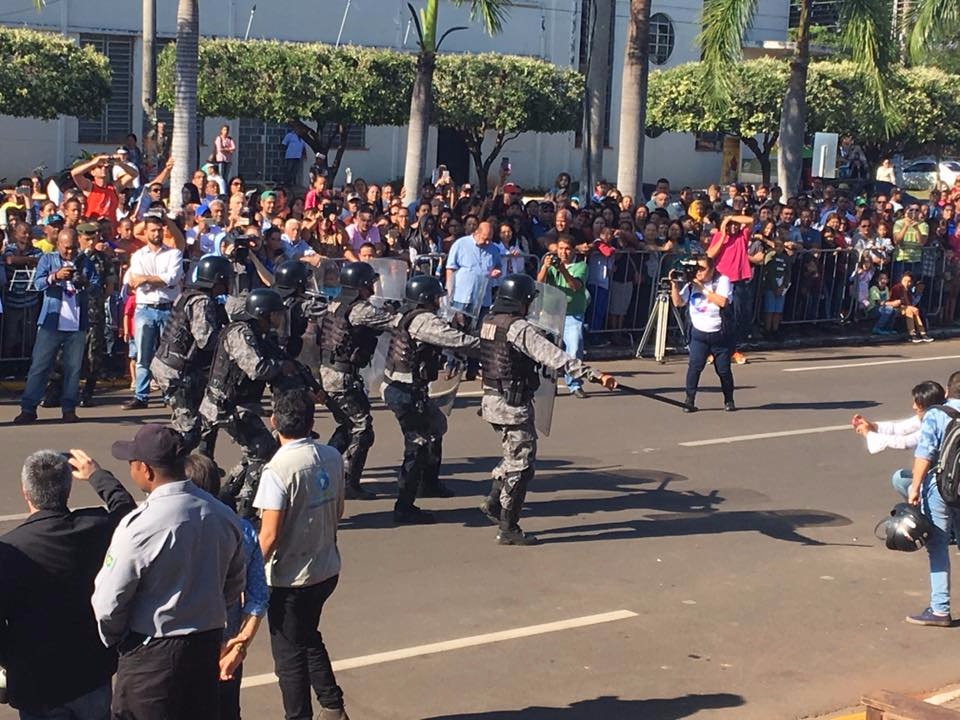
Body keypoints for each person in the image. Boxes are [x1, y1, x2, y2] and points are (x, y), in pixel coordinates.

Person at [91, 424, 245, 719]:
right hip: (203, 647)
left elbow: (108, 603)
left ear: (146, 470)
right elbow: (233, 583)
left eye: (132, 463)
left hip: (152, 654)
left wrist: (122, 640)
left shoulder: (139, 527)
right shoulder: (223, 515)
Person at [477, 274, 616, 545]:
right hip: (511, 405)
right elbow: (554, 357)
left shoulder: (489, 321)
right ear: (520, 302)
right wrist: (595, 375)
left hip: (491, 399)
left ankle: (494, 503)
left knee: (512, 454)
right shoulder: (518, 328)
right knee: (522, 465)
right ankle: (508, 527)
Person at [0, 449, 136, 719]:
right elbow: (127, 514)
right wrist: (97, 475)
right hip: (91, 672)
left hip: (37, 682)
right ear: (68, 489)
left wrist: (9, 662)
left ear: (26, 492)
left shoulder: (10, 549)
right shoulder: (97, 527)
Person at [254, 391, 351, 720]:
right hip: (326, 567)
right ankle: (332, 704)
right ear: (311, 423)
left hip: (290, 578)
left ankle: (299, 716)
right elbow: (338, 510)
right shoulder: (332, 456)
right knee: (307, 635)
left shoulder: (277, 470)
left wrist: (246, 573)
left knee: (289, 657)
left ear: (274, 422)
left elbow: (268, 534)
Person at [383, 275, 480, 523]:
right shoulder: (424, 321)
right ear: (426, 299)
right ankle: (404, 506)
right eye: (437, 297)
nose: (440, 301)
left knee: (435, 427)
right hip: (405, 391)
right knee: (416, 445)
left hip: (405, 387)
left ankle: (429, 483)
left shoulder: (407, 314)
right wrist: (488, 345)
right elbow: (453, 339)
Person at [199, 288, 298, 516]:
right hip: (224, 406)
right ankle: (245, 509)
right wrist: (282, 367)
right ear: (262, 313)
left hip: (237, 404)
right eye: (275, 314)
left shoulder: (258, 333)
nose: (279, 318)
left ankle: (226, 497)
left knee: (257, 451)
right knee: (264, 451)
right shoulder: (240, 333)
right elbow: (256, 368)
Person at [183, 453, 267, 720]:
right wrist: (240, 644)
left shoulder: (176, 530)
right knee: (228, 709)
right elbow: (257, 598)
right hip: (227, 644)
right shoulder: (242, 529)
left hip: (182, 645)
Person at [318, 261, 400, 500]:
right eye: (369, 285)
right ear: (360, 286)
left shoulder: (337, 303)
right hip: (341, 375)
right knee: (362, 428)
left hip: (332, 371)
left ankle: (325, 469)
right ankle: (348, 482)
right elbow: (392, 323)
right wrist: (399, 313)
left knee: (347, 425)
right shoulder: (359, 309)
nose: (372, 289)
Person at [14, 228, 101, 425]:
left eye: (73, 248)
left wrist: (85, 282)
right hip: (50, 324)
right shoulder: (48, 259)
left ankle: (69, 409)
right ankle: (28, 408)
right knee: (39, 367)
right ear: (58, 245)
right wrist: (55, 277)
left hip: (76, 325)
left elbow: (97, 287)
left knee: (73, 369)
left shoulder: (85, 262)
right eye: (66, 248)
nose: (70, 252)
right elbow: (37, 284)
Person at [895, 371, 960, 626]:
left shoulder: (937, 414)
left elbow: (924, 454)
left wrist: (915, 487)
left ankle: (940, 609)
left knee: (938, 546)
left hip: (940, 488)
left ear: (947, 391)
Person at [151, 255, 233, 451]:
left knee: (208, 416)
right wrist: (229, 338)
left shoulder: (188, 294)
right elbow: (205, 340)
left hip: (176, 365)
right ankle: (171, 465)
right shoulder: (201, 301)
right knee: (189, 429)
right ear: (218, 279)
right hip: (175, 370)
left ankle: (203, 463)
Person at [122, 213, 185, 410]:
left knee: (169, 355)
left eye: (159, 229)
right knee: (143, 355)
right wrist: (159, 279)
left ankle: (170, 395)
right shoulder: (138, 255)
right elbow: (135, 281)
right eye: (152, 230)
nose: (156, 233)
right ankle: (141, 396)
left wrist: (148, 279)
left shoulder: (173, 254)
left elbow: (172, 278)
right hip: (145, 309)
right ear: (146, 232)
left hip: (167, 308)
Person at [670, 254, 736, 413]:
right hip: (699, 334)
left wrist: (702, 288)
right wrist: (674, 285)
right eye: (696, 269)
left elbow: (722, 302)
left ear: (712, 269)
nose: (698, 272)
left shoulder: (722, 281)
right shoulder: (692, 285)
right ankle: (689, 400)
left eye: (702, 269)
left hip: (719, 334)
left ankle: (729, 399)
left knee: (723, 370)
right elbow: (679, 302)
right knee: (694, 367)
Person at [536, 234, 589, 398]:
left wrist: (562, 269)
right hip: (551, 313)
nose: (563, 252)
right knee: (549, 351)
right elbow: (539, 283)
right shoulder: (551, 266)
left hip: (572, 314)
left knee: (574, 348)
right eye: (560, 249)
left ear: (573, 250)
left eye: (567, 249)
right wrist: (545, 267)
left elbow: (574, 285)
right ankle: (550, 385)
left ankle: (574, 384)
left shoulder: (581, 266)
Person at [707, 214, 754, 364]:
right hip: (722, 281)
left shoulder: (742, 236)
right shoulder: (719, 236)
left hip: (739, 281)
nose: (733, 227)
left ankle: (734, 349)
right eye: (730, 224)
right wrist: (722, 233)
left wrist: (731, 217)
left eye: (735, 224)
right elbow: (710, 254)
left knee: (738, 317)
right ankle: (715, 351)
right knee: (720, 318)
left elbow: (751, 221)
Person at [853, 380, 945, 454]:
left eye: (918, 405)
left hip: (938, 472)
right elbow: (898, 428)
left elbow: (905, 442)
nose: (914, 407)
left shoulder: (935, 425)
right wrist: (872, 426)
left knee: (899, 476)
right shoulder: (935, 415)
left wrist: (869, 434)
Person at [890, 271, 933, 343]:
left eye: (909, 281)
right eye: (905, 281)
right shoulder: (896, 288)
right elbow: (891, 301)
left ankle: (922, 333)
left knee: (914, 310)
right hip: (896, 308)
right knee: (910, 310)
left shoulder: (909, 290)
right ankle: (912, 334)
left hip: (907, 307)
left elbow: (910, 303)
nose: (907, 283)